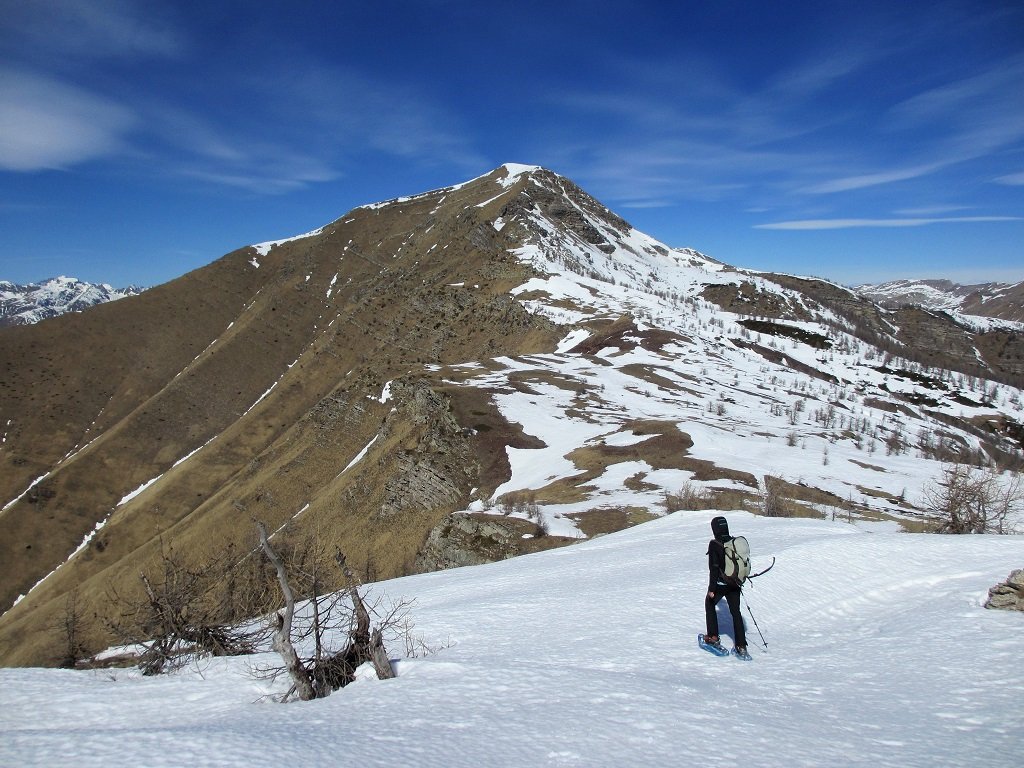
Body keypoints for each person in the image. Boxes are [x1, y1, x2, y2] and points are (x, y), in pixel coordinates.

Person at [704, 515, 747, 656]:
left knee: (709, 604)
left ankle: (713, 638)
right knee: (736, 612)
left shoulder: (714, 544)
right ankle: (741, 646)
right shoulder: (732, 542)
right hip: (735, 583)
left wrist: (711, 589)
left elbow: (714, 568)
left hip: (721, 584)